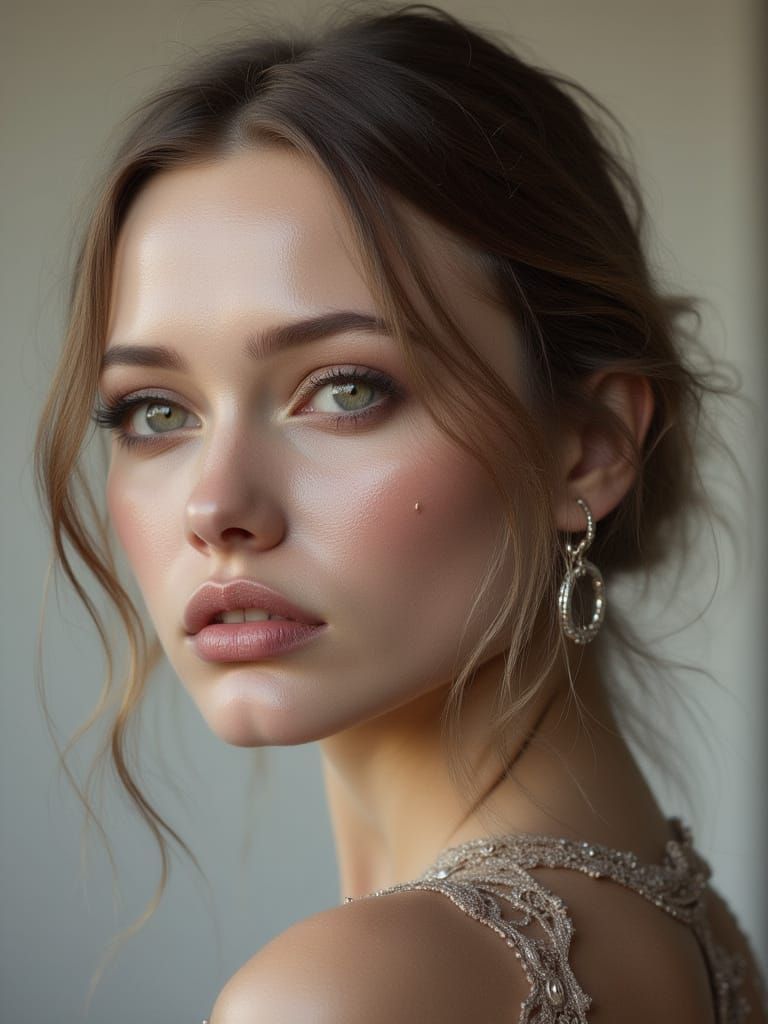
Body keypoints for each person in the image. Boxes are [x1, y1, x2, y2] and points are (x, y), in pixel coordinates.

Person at [34, 3, 767, 1022]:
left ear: (588, 449)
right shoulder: (692, 931)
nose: (215, 504)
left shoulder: (345, 993)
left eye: (344, 389)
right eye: (156, 410)